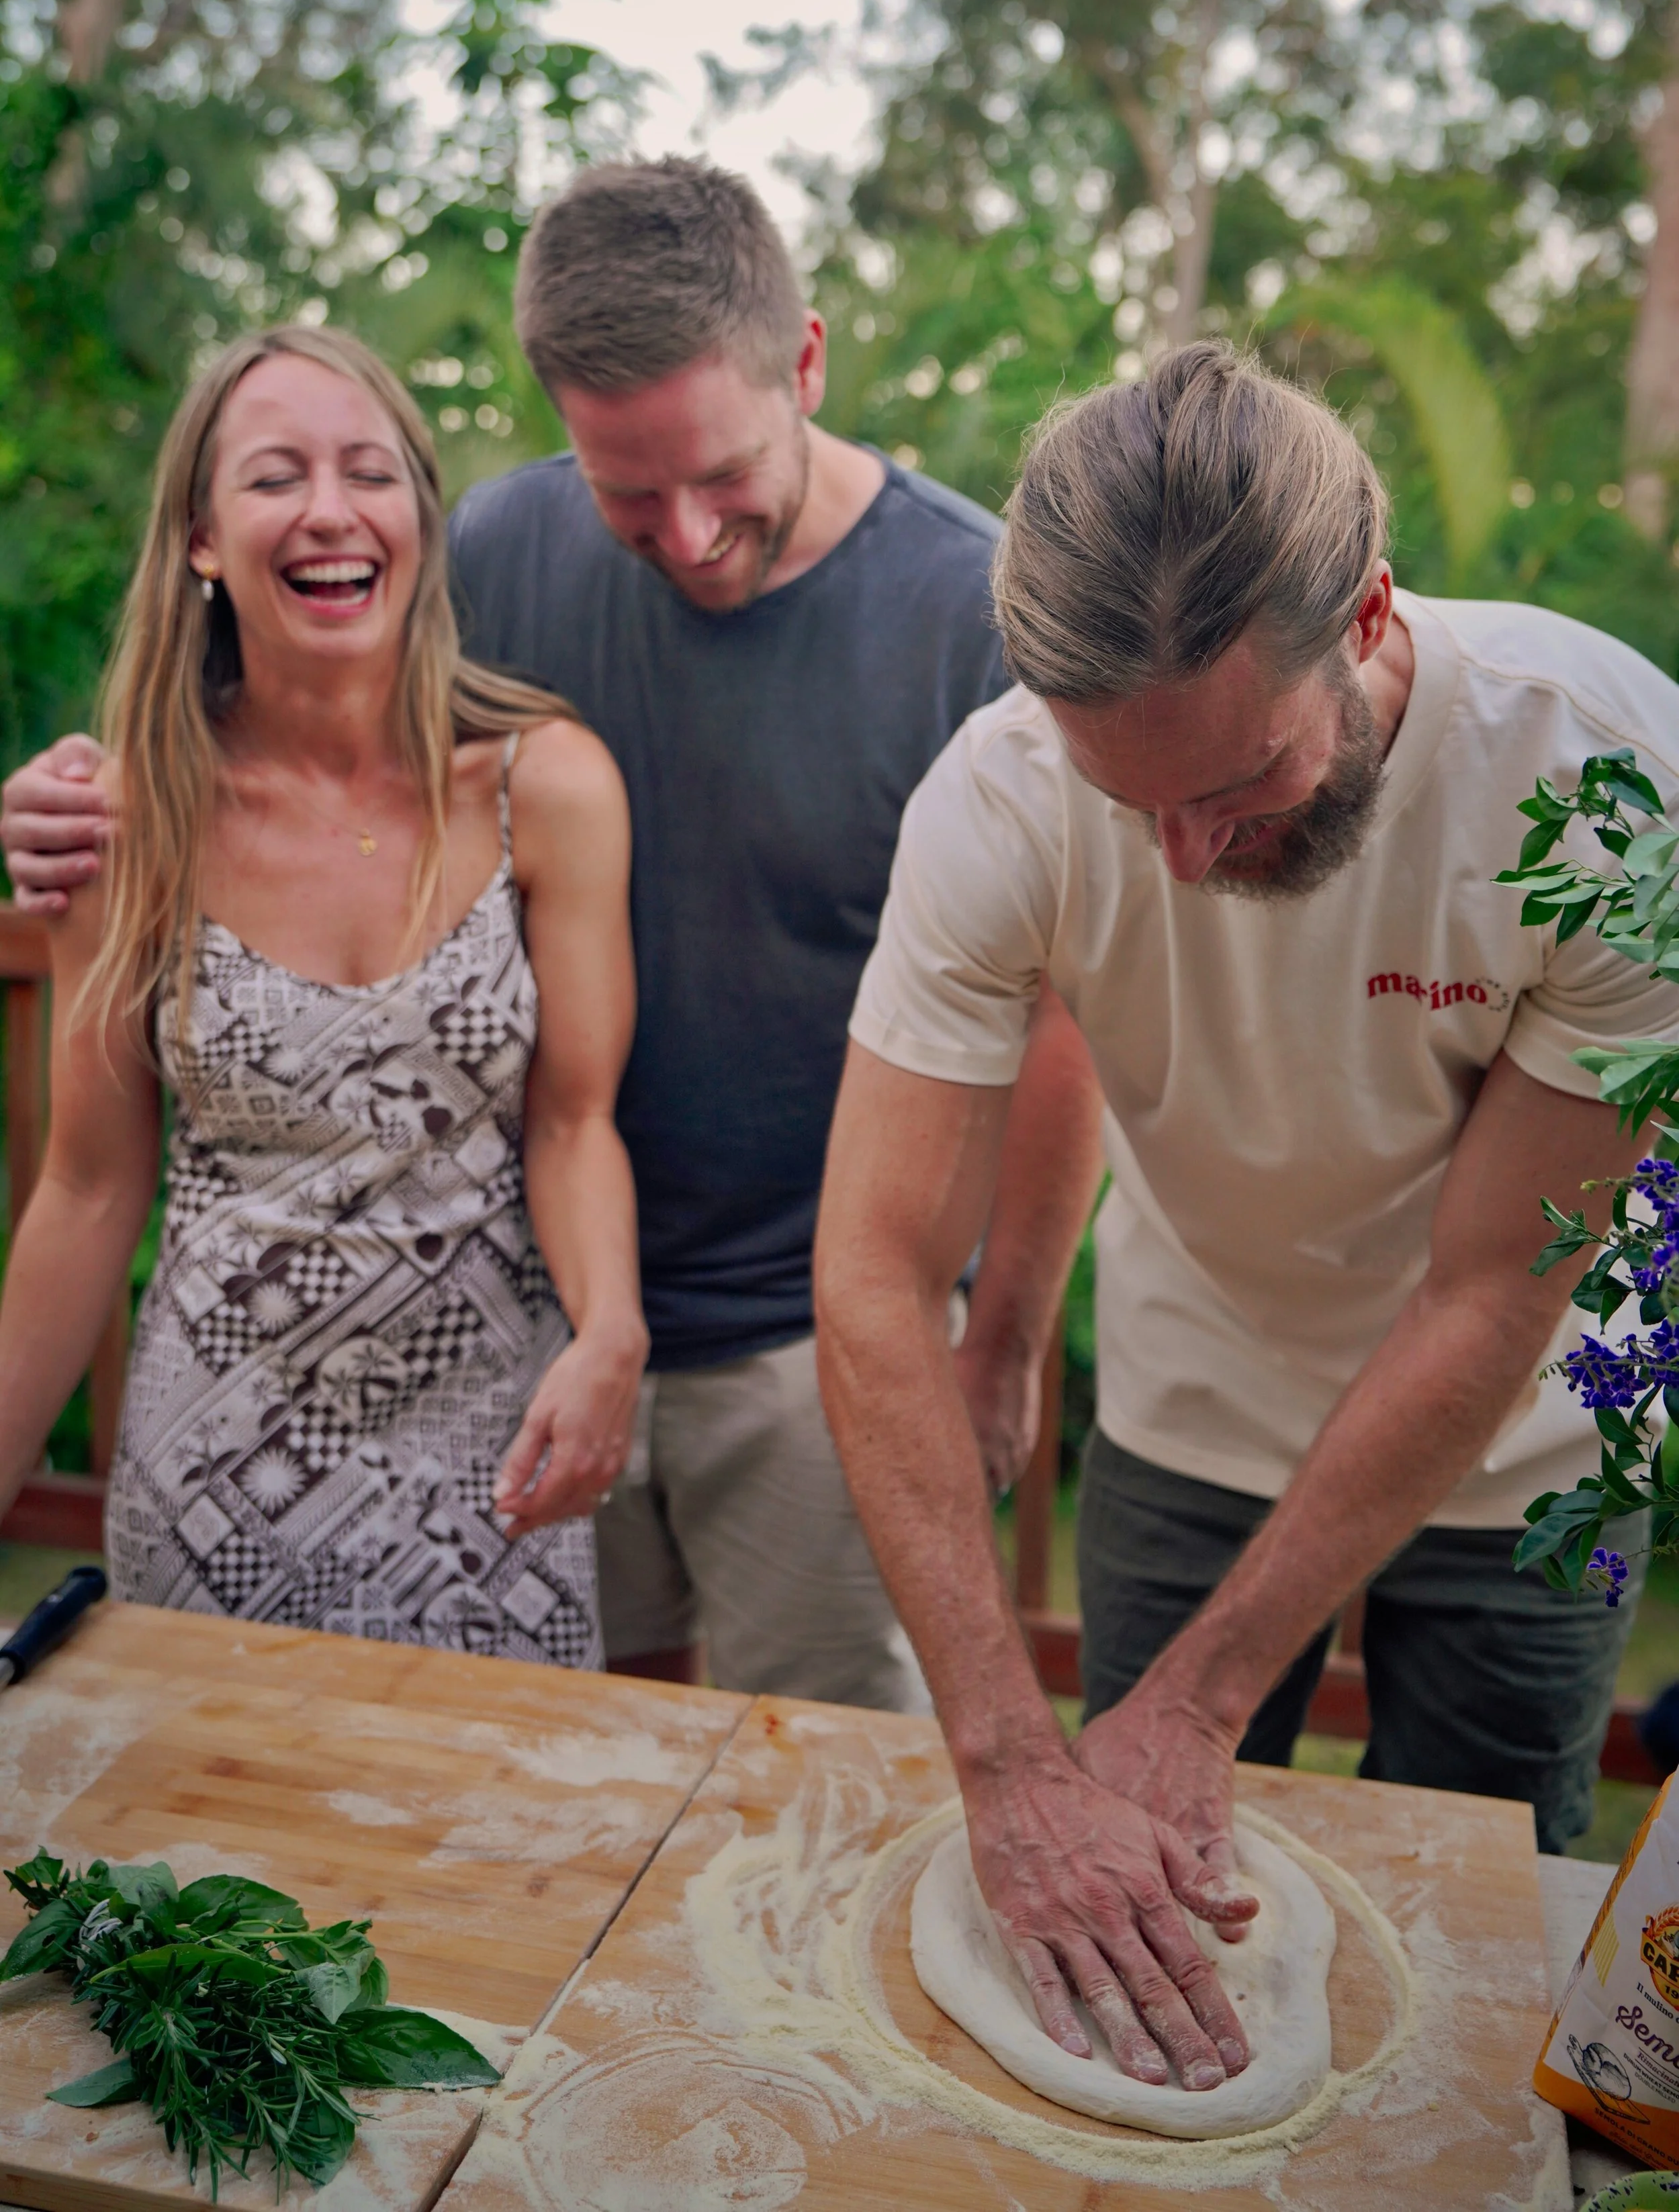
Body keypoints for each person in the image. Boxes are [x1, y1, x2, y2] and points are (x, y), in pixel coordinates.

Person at [1, 159, 1101, 1710]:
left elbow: (1067, 1018)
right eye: (625, 490)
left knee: (826, 1787)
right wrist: (66, 796)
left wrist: (999, 1344)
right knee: (576, 1790)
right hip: (530, 1342)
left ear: (807, 362)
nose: (686, 531)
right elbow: (294, 674)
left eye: (719, 474)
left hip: (819, 1342)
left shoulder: (969, 620)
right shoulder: (506, 551)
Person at [815, 341, 1679, 2090]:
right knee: (1137, 1976)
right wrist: (1000, 1751)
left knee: (1461, 2003)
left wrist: (1202, 1701)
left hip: (1522, 1450)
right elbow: (871, 1274)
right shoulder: (995, 799)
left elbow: (1483, 1300)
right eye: (1132, 800)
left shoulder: (1605, 784)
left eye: (1238, 783)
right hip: (1188, 1401)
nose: (1186, 862)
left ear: (1361, 619)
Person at [0, 324, 645, 1661]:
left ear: (418, 512)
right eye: (275, 477)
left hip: (491, 1484)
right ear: (197, 537)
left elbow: (573, 1122)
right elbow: (85, 1187)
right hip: (213, 1482)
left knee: (505, 1859)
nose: (330, 513)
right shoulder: (123, 819)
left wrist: (611, 1333)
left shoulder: (546, 786)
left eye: (369, 472)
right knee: (201, 1863)